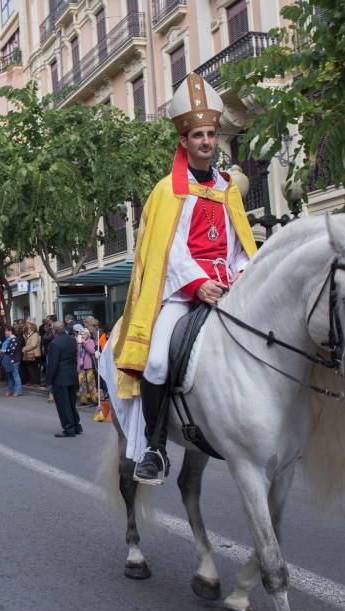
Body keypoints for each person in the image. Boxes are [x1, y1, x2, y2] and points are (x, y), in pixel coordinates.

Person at [103, 72, 256, 484]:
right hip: (182, 293)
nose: (207, 141)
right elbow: (165, 250)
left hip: (228, 289)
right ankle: (154, 446)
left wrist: (241, 274)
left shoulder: (229, 189)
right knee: (154, 361)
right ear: (184, 141)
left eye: (211, 133)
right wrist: (196, 284)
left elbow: (241, 244)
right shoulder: (167, 191)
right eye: (198, 135)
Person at [46, 321, 81, 437]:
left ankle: (69, 428)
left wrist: (49, 380)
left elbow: (52, 364)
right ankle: (76, 425)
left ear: (54, 330)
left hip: (60, 376)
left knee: (63, 404)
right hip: (71, 374)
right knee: (71, 403)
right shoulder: (72, 340)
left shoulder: (54, 343)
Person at [76, 325, 98, 406]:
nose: (82, 336)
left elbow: (92, 351)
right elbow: (77, 354)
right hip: (81, 366)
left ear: (87, 335)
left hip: (89, 366)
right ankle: (83, 400)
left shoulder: (90, 341)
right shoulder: (78, 343)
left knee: (91, 383)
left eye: (84, 334)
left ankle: (94, 400)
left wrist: (85, 344)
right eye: (81, 334)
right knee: (82, 384)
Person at [0, 326, 23, 397]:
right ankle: (10, 389)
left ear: (10, 331)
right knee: (9, 375)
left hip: (14, 359)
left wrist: (3, 351)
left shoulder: (14, 339)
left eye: (6, 331)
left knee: (15, 375)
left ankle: (18, 391)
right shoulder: (9, 339)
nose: (5, 332)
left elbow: (11, 350)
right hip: (9, 359)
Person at [21, 321, 41, 387]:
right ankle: (32, 381)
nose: (27, 326)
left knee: (34, 368)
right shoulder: (30, 334)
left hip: (34, 354)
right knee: (30, 368)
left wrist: (25, 348)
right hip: (30, 353)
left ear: (32, 327)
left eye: (28, 325)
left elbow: (33, 345)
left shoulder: (35, 334)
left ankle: (36, 382)